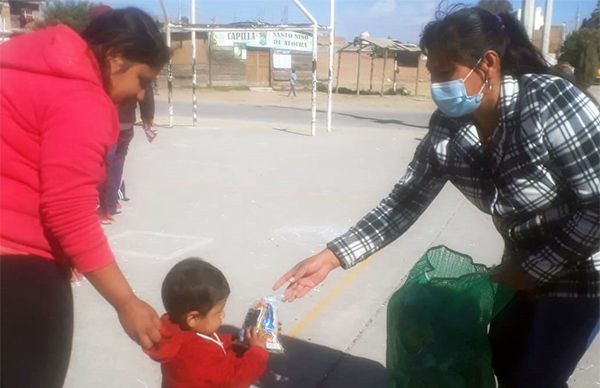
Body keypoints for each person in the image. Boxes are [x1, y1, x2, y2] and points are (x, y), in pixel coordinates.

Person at [273, 6, 600, 388]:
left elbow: (597, 204)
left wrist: (533, 271)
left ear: (488, 64)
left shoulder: (547, 103)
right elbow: (404, 202)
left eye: (446, 73)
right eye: (432, 73)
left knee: (534, 378)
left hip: (584, 272)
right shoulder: (449, 129)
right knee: (505, 359)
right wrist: (333, 256)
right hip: (520, 270)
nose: (436, 86)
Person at [0, 8, 170, 388]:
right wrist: (126, 302)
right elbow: (68, 212)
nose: (140, 94)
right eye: (141, 79)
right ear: (114, 57)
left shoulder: (17, 66)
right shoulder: (83, 98)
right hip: (17, 274)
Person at [145, 258, 269, 388]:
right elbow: (235, 379)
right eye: (218, 312)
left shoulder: (177, 331)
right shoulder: (199, 356)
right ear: (193, 318)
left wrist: (236, 340)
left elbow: (211, 343)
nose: (223, 315)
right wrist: (258, 352)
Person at [98, 84, 157, 223]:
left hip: (109, 119)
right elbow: (146, 90)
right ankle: (111, 204)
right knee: (117, 161)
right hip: (127, 119)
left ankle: (105, 208)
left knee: (106, 163)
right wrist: (147, 119)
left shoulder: (108, 64)